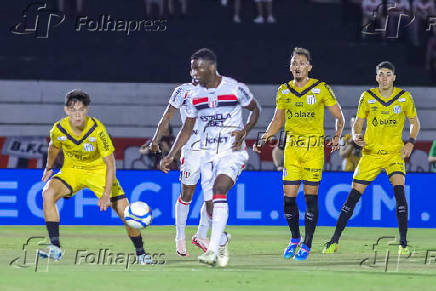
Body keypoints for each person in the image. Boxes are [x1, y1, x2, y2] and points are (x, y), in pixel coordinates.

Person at [160, 48, 261, 267]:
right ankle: (221, 240)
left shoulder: (235, 89)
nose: (194, 72)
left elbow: (255, 109)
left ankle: (212, 250)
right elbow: (187, 129)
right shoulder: (196, 97)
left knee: (219, 190)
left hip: (231, 152)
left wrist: (245, 130)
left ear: (212, 68)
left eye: (199, 68)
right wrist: (171, 155)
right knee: (210, 203)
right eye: (192, 68)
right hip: (206, 153)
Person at [39, 90, 152, 264]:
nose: (77, 114)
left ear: (87, 110)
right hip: (72, 170)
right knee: (47, 193)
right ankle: (55, 247)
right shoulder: (58, 129)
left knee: (126, 213)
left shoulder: (97, 130)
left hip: (99, 171)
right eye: (73, 109)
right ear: (66, 110)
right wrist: (49, 167)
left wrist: (106, 194)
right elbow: (53, 147)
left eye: (81, 110)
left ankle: (141, 254)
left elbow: (110, 163)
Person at [254, 47, 345, 261]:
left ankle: (307, 243)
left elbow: (339, 116)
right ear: (290, 67)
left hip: (313, 150)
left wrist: (338, 135)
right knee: (288, 200)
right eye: (294, 63)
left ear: (309, 67)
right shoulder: (284, 91)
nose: (297, 66)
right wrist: (264, 138)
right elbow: (277, 121)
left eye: (301, 63)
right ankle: (295, 237)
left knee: (310, 199)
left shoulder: (321, 88)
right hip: (292, 150)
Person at [323, 61, 420, 255]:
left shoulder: (404, 97)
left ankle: (403, 244)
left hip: (394, 153)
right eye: (381, 74)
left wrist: (410, 142)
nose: (384, 77)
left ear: (394, 77)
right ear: (376, 77)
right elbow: (358, 123)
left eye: (388, 74)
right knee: (352, 198)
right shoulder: (367, 97)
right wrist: (356, 135)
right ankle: (334, 240)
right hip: (371, 154)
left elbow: (414, 122)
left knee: (400, 195)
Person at [139, 75, 212, 257]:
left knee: (215, 196)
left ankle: (201, 235)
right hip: (191, 149)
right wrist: (155, 140)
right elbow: (167, 116)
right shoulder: (182, 91)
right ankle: (180, 237)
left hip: (212, 149)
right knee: (187, 195)